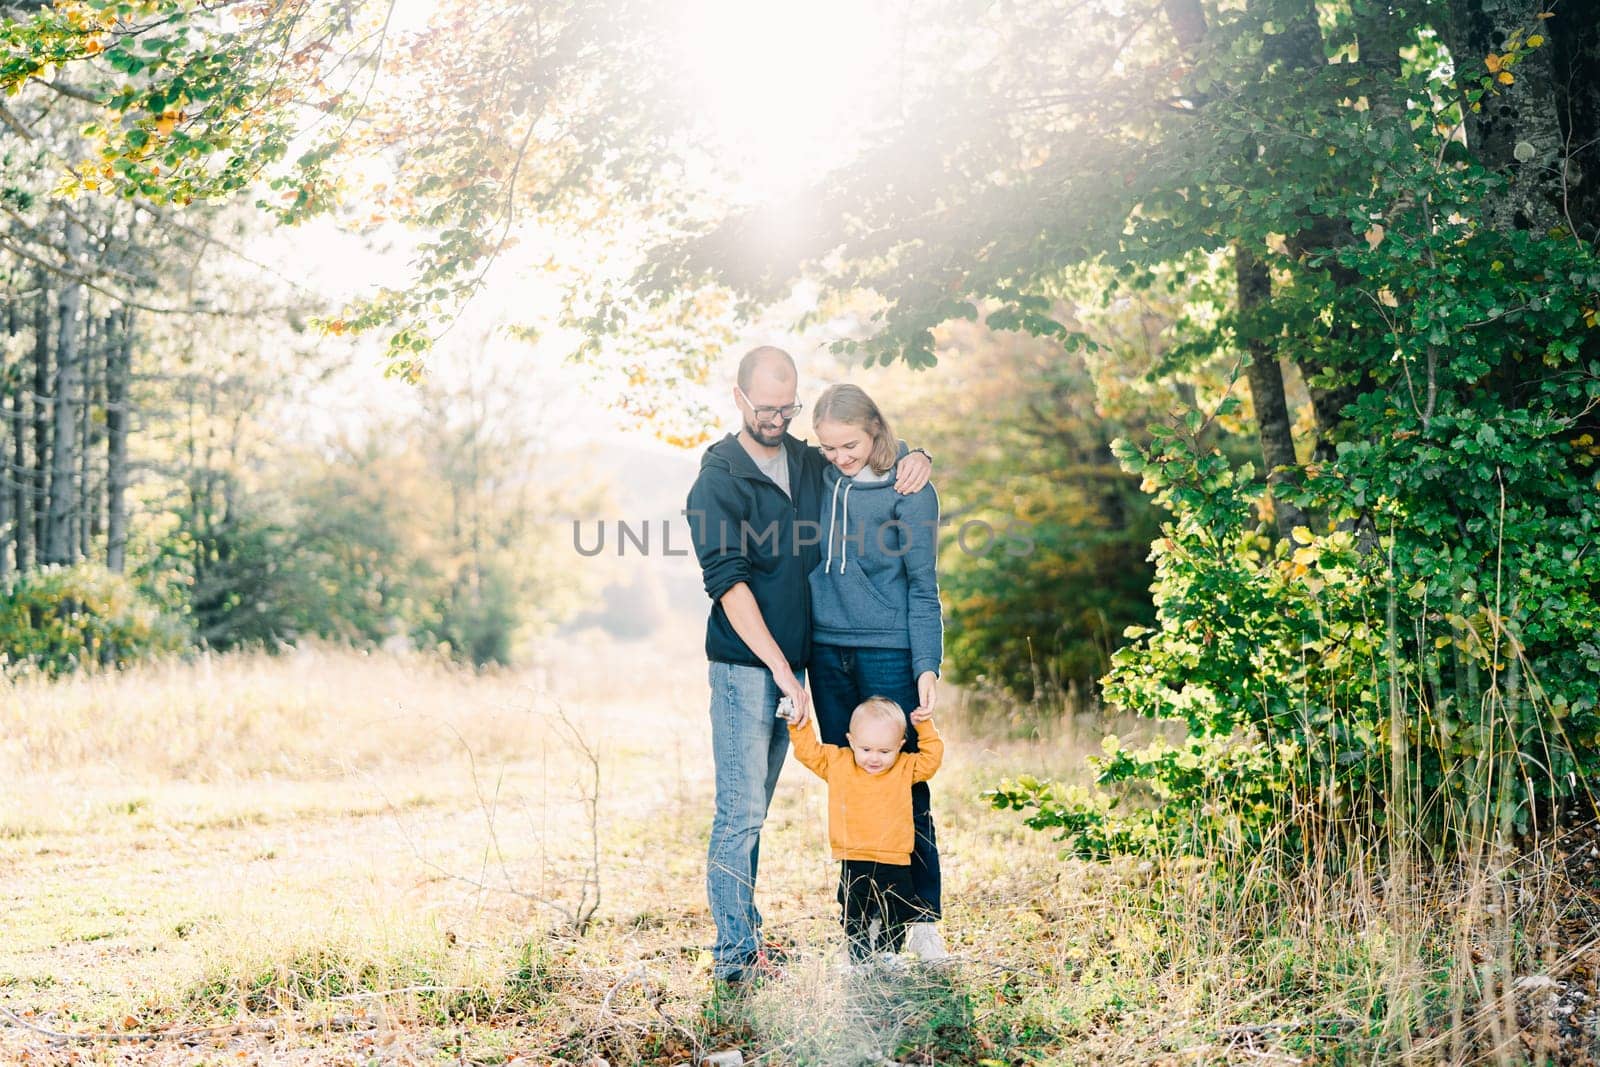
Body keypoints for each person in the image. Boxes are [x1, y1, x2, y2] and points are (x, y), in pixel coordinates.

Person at [685, 347, 932, 986]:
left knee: (763, 809)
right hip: (748, 666)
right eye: (765, 407)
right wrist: (781, 670)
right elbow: (729, 586)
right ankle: (736, 959)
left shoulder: (805, 459)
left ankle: (766, 943)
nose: (776, 418)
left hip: (799, 662)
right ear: (738, 398)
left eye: (786, 407)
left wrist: (917, 454)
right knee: (739, 814)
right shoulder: (717, 480)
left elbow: (865, 453)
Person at [806, 383, 948, 960]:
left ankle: (920, 918)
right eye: (829, 447)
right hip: (826, 651)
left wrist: (926, 665)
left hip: (888, 650)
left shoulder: (910, 489)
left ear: (874, 428)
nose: (840, 457)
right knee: (851, 785)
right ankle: (860, 925)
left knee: (903, 784)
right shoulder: (820, 476)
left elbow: (923, 585)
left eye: (850, 444)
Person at [786, 696, 943, 961]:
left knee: (896, 908)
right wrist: (797, 724)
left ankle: (887, 954)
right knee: (853, 910)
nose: (874, 758)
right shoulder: (838, 763)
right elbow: (808, 752)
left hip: (895, 858)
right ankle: (857, 956)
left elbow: (932, 759)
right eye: (866, 749)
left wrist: (924, 726)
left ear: (900, 746)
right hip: (854, 856)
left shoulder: (904, 767)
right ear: (850, 741)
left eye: (885, 752)